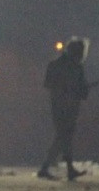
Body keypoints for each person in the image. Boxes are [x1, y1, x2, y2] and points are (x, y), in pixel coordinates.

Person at [39, 37, 90, 181]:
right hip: (63, 107)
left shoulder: (60, 65)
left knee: (64, 138)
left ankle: (62, 168)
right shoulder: (66, 66)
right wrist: (69, 91)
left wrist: (78, 90)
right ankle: (52, 168)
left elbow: (82, 91)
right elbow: (50, 85)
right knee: (63, 138)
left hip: (66, 107)